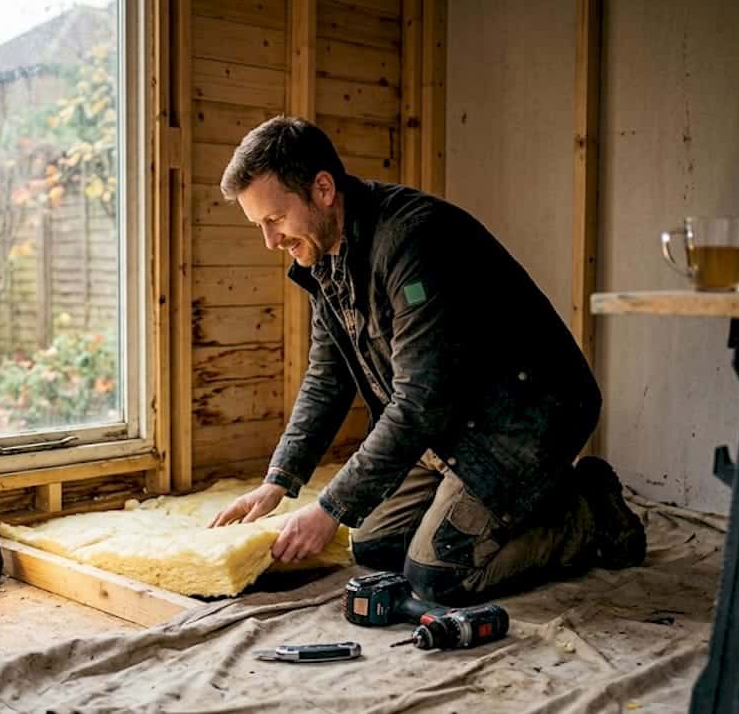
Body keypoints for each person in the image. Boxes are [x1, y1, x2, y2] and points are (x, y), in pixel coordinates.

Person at [207, 116, 645, 604]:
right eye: (259, 226)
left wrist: (329, 506)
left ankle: (590, 513)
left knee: (438, 576)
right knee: (373, 545)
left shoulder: (415, 241)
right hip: (453, 422)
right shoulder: (323, 254)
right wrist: (278, 482)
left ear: (323, 189)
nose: (270, 241)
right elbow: (327, 377)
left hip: (525, 419)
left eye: (274, 220)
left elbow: (419, 401)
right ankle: (521, 504)